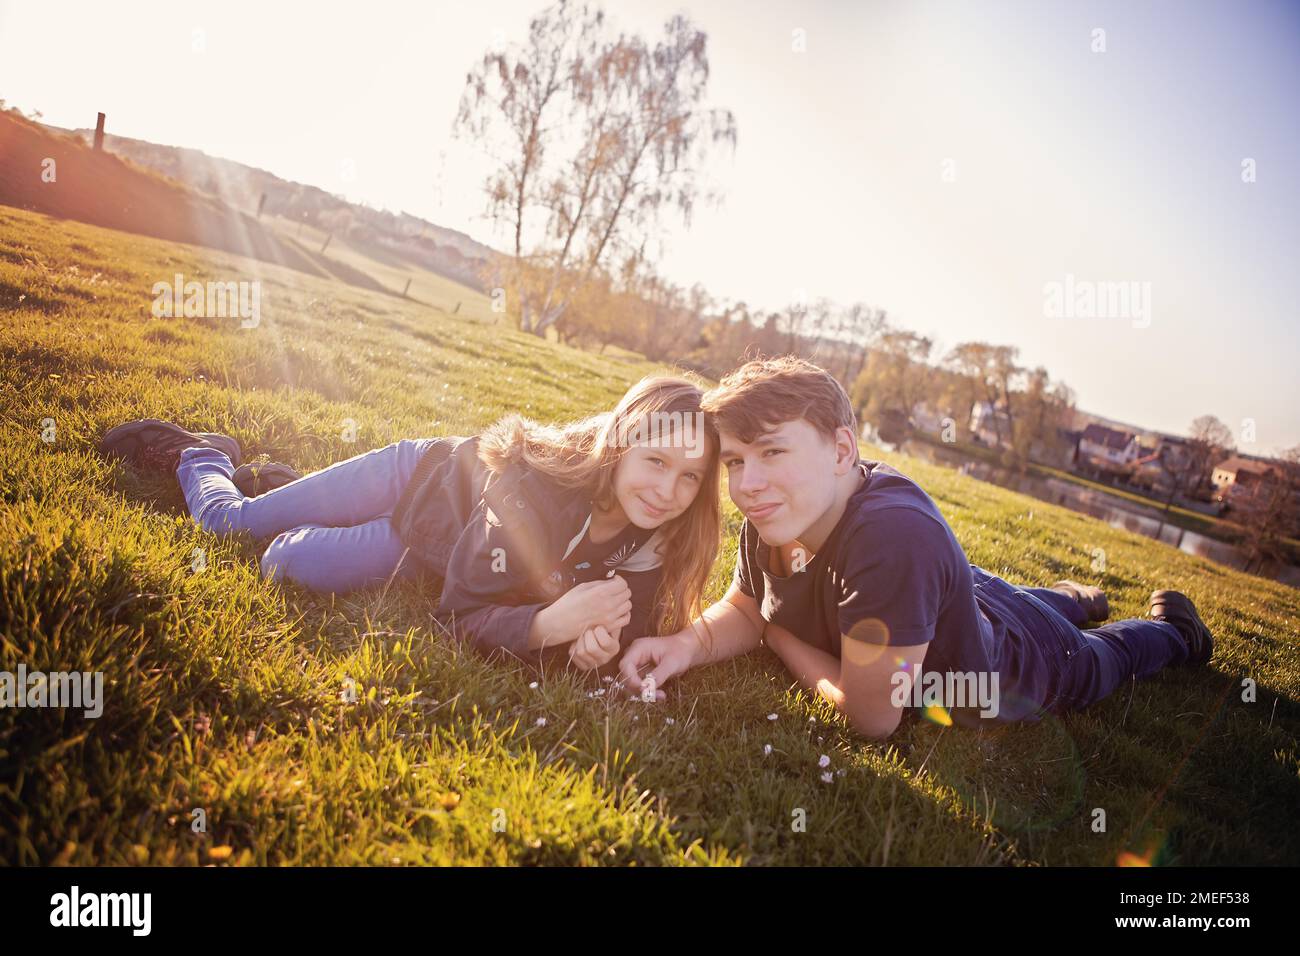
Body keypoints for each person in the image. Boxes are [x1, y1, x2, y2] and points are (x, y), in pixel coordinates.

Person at [620, 357, 1213, 737]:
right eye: (735, 461)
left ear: (841, 451)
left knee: (1102, 656)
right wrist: (684, 646)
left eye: (773, 451)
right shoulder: (776, 509)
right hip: (968, 593)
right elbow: (748, 606)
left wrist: (781, 638)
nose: (747, 484)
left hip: (1025, 663)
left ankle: (1175, 635)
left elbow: (871, 714)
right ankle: (1066, 597)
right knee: (993, 593)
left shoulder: (892, 542)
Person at [98, 375, 721, 671]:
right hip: (420, 484)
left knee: (285, 563)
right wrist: (547, 625)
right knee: (232, 529)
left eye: (690, 476)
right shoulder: (535, 496)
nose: (669, 490)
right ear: (619, 446)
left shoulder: (661, 531)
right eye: (656, 462)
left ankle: (283, 486)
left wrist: (596, 648)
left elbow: (625, 624)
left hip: (435, 544)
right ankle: (203, 455)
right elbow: (458, 611)